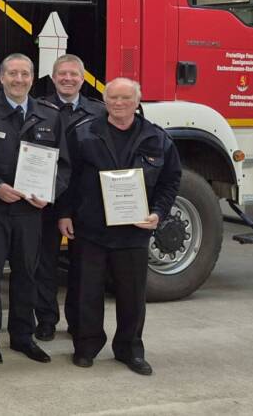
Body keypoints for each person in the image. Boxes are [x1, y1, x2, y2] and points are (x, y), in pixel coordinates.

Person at [58, 77, 180, 376]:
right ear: (105, 100)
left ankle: (130, 349)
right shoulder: (84, 133)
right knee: (87, 292)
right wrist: (64, 213)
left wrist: (158, 213)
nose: (119, 103)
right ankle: (86, 347)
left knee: (132, 296)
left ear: (137, 102)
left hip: (134, 232)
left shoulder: (157, 138)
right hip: (90, 229)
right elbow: (66, 177)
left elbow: (170, 180)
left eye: (126, 98)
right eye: (113, 98)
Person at [0, 53, 64, 366]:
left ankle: (23, 336)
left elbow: (63, 165)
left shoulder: (49, 115)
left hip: (31, 211)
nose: (19, 80)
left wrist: (49, 194)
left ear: (33, 78)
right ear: (1, 77)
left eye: (25, 74)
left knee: (27, 273)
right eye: (12, 74)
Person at [34, 53, 104, 341]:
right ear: (53, 78)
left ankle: (77, 321)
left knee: (82, 268)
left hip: (85, 202)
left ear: (83, 78)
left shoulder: (99, 112)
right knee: (45, 264)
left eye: (74, 74)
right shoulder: (38, 108)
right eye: (62, 74)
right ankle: (47, 320)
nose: (67, 79)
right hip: (48, 200)